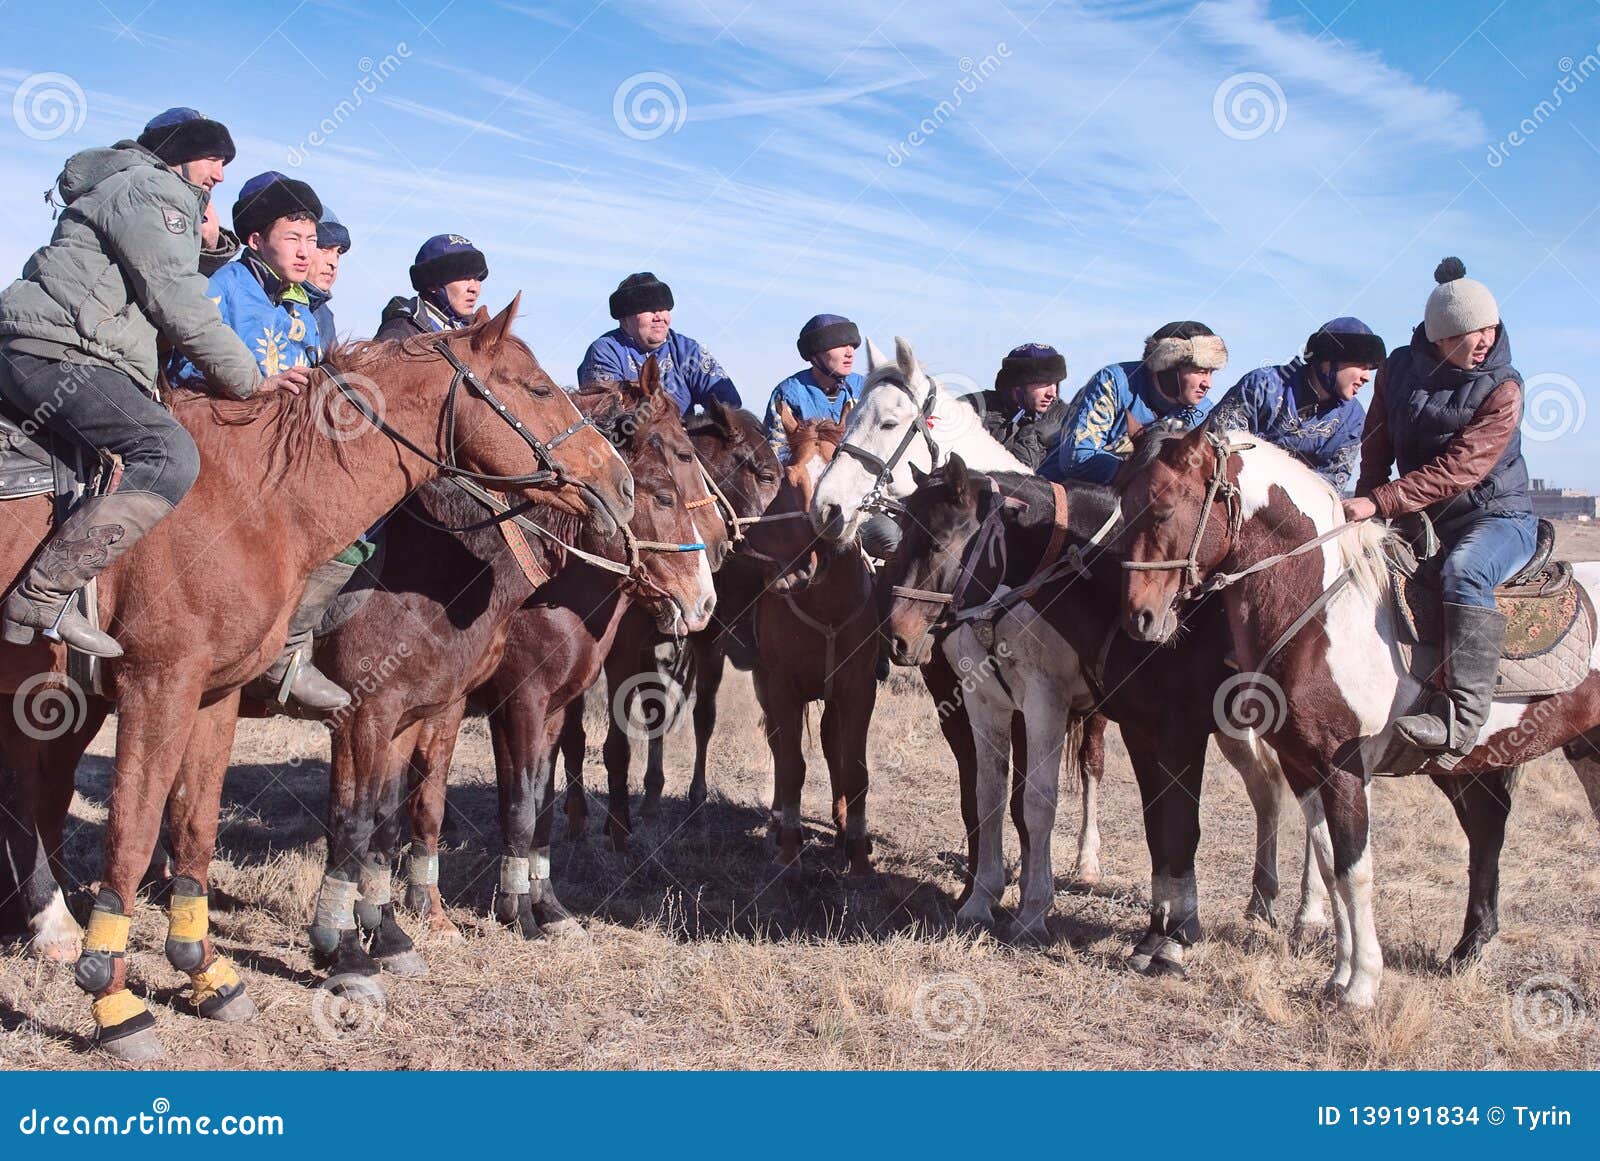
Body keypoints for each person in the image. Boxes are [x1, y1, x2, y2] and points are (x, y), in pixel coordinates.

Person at [0, 109, 307, 655]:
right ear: (181, 152)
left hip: (60, 348)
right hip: (62, 353)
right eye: (215, 159)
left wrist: (207, 243)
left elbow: (153, 275)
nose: (219, 175)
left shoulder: (142, 190)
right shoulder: (152, 189)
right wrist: (249, 379)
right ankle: (42, 594)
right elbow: (176, 300)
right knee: (169, 454)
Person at [1348, 258, 1534, 758]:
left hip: (1497, 517)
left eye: (1491, 331)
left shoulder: (1504, 387)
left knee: (1465, 573)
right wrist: (1367, 499)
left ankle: (1460, 718)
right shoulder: (1396, 371)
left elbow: (1460, 468)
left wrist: (1381, 500)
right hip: (1422, 514)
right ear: (1439, 336)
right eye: (1473, 334)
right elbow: (1376, 441)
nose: (1485, 343)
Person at [170, 171, 323, 386]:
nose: (304, 252)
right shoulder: (220, 288)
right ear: (256, 241)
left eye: (311, 240)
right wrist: (258, 387)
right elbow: (182, 370)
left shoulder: (302, 308)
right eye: (292, 238)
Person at [1208, 317, 1385, 492]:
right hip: (1233, 495)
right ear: (1329, 360)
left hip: (1295, 511)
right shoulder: (1262, 386)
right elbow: (1218, 447)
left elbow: (1330, 487)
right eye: (1361, 366)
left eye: (1370, 369)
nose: (1367, 377)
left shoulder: (1353, 418)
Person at [1043, 320, 1226, 483]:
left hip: (1139, 508)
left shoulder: (1202, 411)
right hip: (1063, 497)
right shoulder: (1114, 382)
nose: (1208, 384)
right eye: (1200, 371)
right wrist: (1146, 473)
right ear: (1169, 369)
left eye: (1211, 373)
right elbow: (1077, 458)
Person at [578, 272, 740, 414]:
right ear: (624, 319)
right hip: (624, 445)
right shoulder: (605, 352)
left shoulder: (689, 351)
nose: (659, 317)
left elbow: (730, 407)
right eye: (648, 309)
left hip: (686, 443)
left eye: (663, 309)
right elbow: (607, 416)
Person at [763, 314, 863, 458]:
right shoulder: (787, 395)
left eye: (852, 345)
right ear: (815, 353)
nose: (850, 352)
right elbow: (776, 455)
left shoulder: (866, 390)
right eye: (839, 345)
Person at [972, 342, 1069, 471]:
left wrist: (1033, 436)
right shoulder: (974, 410)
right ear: (1017, 385)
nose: (1052, 393)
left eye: (1055, 383)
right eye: (1044, 383)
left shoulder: (1067, 420)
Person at [376, 233, 487, 340]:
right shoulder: (400, 332)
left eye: (478, 278)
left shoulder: (476, 332)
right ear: (432, 285)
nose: (474, 289)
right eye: (464, 278)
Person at [306, 208, 350, 351]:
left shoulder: (325, 316)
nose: (333, 263)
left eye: (338, 253)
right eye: (325, 248)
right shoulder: (274, 303)